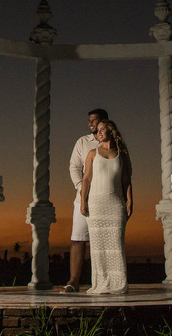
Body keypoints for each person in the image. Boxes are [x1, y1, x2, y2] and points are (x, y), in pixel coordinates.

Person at [80, 119, 132, 294]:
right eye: (98, 130)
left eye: (102, 129)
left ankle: (118, 283)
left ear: (111, 131)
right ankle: (101, 283)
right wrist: (83, 202)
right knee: (98, 247)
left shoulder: (121, 154)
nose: (99, 132)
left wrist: (130, 200)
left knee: (116, 244)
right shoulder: (92, 153)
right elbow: (86, 179)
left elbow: (126, 180)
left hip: (116, 203)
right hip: (96, 203)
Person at [64, 107, 106, 292]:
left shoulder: (112, 142)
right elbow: (74, 167)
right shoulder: (83, 142)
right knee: (78, 238)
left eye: (94, 120)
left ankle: (104, 281)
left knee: (104, 240)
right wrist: (83, 190)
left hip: (106, 198)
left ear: (104, 121)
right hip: (84, 198)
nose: (90, 124)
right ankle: (73, 281)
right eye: (89, 121)